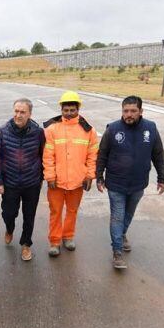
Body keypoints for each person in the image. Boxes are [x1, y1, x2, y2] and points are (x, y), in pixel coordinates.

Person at [96, 95, 164, 270]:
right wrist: (99, 177)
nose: (129, 114)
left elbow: (158, 154)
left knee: (128, 215)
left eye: (133, 111)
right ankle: (117, 252)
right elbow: (102, 154)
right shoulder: (112, 129)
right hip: (116, 184)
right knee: (117, 216)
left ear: (141, 111)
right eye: (125, 111)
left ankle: (122, 234)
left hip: (138, 183)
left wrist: (162, 178)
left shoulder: (150, 128)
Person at [43, 91, 99, 257]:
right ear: (61, 109)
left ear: (78, 109)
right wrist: (50, 176)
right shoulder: (52, 129)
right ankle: (54, 241)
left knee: (72, 211)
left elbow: (92, 155)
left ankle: (68, 236)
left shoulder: (88, 130)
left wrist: (90, 175)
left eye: (72, 110)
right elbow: (48, 155)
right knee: (55, 212)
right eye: (66, 110)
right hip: (57, 182)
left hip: (78, 180)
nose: (69, 113)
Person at [0, 98, 46, 261]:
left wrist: (41, 177)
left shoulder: (38, 132)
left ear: (30, 114)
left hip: (31, 183)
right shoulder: (3, 131)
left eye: (22, 112)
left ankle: (26, 244)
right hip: (10, 183)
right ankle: (9, 229)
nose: (18, 115)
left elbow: (44, 155)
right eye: (16, 111)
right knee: (9, 213)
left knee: (29, 216)